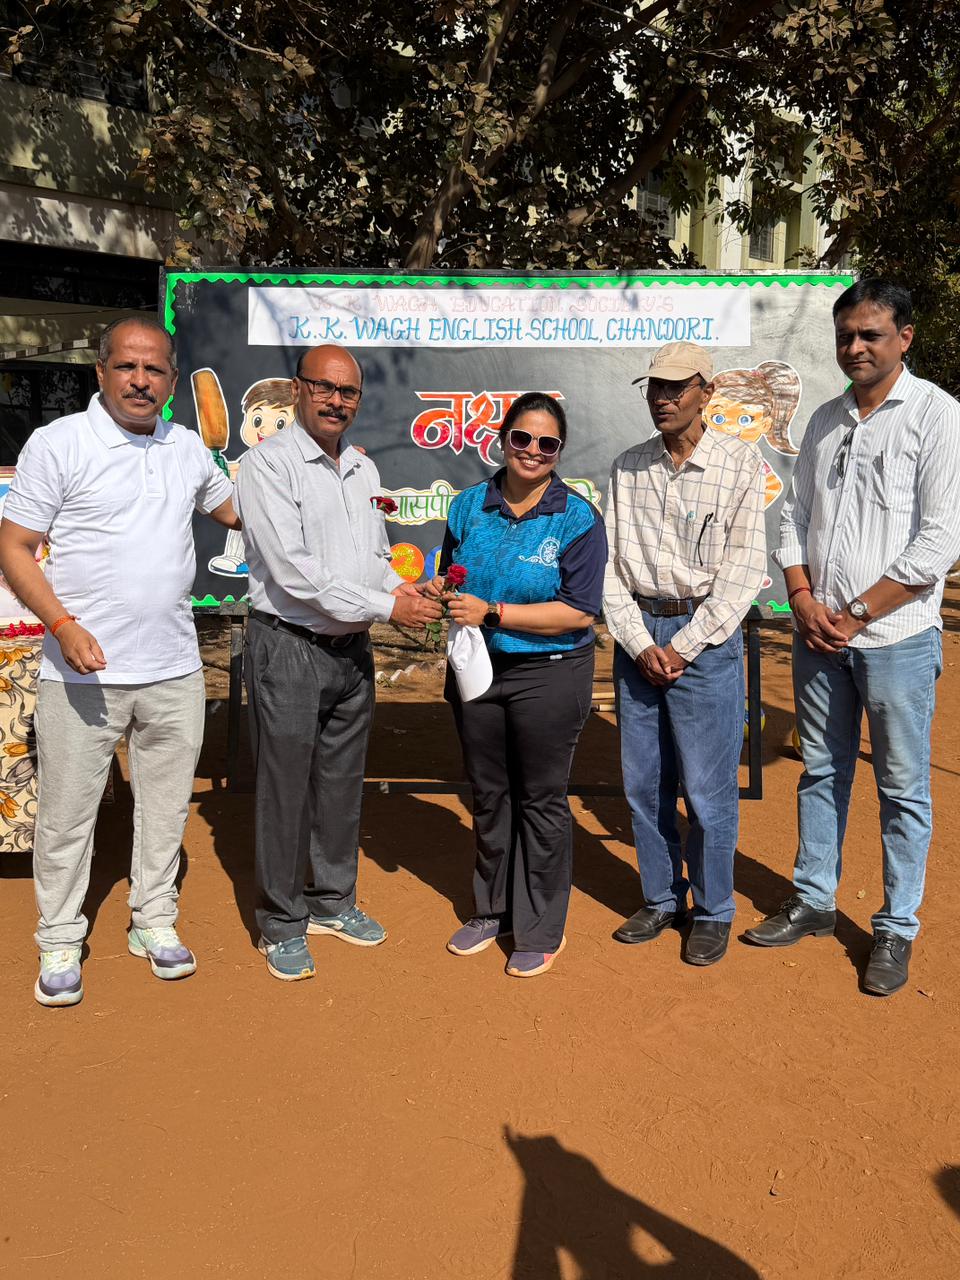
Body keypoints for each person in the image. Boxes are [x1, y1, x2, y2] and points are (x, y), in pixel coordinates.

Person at [0, 316, 239, 1008]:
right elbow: (14, 545)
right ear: (101, 371)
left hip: (174, 667)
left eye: (154, 369)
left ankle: (153, 918)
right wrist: (61, 624)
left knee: (164, 809)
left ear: (172, 380)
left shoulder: (187, 447)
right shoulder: (60, 443)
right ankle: (58, 936)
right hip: (81, 672)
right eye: (127, 366)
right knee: (67, 816)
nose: (141, 381)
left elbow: (239, 514)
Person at [745, 279, 960, 996]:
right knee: (822, 771)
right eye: (846, 335)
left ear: (905, 338)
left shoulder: (937, 415)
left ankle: (896, 927)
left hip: (896, 638)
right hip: (819, 637)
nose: (855, 347)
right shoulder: (826, 420)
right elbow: (793, 516)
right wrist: (801, 598)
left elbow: (940, 542)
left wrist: (859, 612)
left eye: (871, 334)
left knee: (902, 788)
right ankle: (813, 900)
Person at [235, 343, 442, 982]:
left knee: (341, 785)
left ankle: (332, 900)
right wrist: (388, 607)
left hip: (350, 652)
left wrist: (404, 589)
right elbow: (295, 573)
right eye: (323, 387)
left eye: (347, 391)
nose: (335, 401)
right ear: (298, 390)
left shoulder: (362, 467)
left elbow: (373, 557)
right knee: (284, 790)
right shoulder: (266, 464)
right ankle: (281, 922)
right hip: (288, 647)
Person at [603, 341, 766, 967]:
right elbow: (609, 570)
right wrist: (641, 642)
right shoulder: (627, 467)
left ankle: (714, 908)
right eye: (655, 387)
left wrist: (683, 645)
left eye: (677, 387)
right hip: (639, 638)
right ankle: (661, 898)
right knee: (645, 783)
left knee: (706, 790)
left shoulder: (739, 464)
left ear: (707, 392)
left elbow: (743, 572)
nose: (663, 399)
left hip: (707, 640)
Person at [435, 392, 607, 978]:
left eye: (547, 443)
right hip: (477, 669)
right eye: (522, 438)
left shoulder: (577, 517)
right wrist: (442, 592)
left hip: (549, 672)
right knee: (489, 794)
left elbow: (579, 611)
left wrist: (492, 612)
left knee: (540, 798)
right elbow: (452, 574)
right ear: (503, 439)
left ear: (559, 451)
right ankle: (493, 910)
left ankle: (539, 927)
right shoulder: (467, 505)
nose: (533, 450)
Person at [208, 377, 294, 577]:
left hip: (278, 518)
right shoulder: (251, 457)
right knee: (240, 518)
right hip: (247, 512)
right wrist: (221, 467)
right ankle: (235, 558)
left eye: (280, 423)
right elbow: (238, 469)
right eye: (257, 420)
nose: (264, 430)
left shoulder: (290, 460)